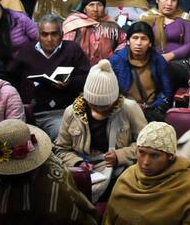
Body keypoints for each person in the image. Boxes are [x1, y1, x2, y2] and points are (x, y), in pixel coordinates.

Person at [54, 59, 147, 201]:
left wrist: (120, 155)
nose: (99, 109)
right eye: (94, 105)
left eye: (105, 106)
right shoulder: (71, 113)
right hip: (84, 167)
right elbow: (61, 149)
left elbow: (146, 145)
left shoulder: (129, 109)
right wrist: (77, 163)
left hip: (118, 170)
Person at [11, 14, 90, 140]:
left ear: (62, 34)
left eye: (54, 34)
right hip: (28, 112)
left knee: (61, 134)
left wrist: (69, 84)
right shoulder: (26, 50)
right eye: (44, 34)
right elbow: (11, 77)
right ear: (38, 35)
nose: (49, 39)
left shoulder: (72, 49)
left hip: (61, 112)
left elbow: (86, 77)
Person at [110, 22, 173, 122]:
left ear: (150, 43)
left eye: (144, 39)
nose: (139, 43)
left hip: (152, 110)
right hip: (124, 110)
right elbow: (112, 91)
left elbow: (166, 91)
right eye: (135, 38)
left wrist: (155, 106)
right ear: (128, 41)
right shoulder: (117, 60)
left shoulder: (158, 60)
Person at [62, 0, 127, 66]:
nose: (95, 9)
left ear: (104, 8)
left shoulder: (112, 25)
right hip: (79, 69)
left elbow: (123, 42)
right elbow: (66, 48)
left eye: (99, 5)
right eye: (91, 5)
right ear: (84, 9)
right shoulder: (74, 24)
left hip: (107, 68)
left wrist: (115, 58)